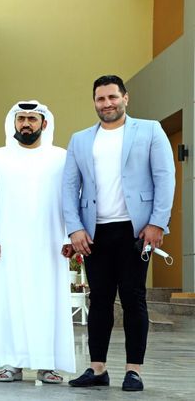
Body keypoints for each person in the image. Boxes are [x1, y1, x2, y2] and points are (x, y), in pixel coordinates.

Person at [63, 75, 175, 391]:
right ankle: (97, 369)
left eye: (113, 97)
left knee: (133, 297)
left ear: (125, 98)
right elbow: (69, 187)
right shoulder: (80, 140)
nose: (107, 103)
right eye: (100, 98)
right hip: (95, 232)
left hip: (136, 231)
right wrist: (74, 228)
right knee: (98, 299)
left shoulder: (150, 130)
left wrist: (157, 223)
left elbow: (165, 177)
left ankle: (133, 370)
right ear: (94, 102)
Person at [0, 100, 75, 384]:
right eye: (21, 118)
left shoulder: (60, 157)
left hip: (51, 245)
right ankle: (12, 364)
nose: (26, 124)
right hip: (8, 247)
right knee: (11, 303)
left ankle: (47, 365)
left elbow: (72, 199)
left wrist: (70, 235)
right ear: (14, 123)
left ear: (44, 124)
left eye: (32, 119)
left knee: (48, 304)